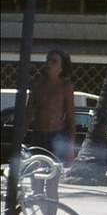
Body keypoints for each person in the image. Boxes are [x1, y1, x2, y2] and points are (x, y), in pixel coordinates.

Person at [27, 49, 76, 206]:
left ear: (61, 67)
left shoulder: (65, 87)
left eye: (54, 61)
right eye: (48, 60)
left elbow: (70, 117)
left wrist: (70, 147)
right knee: (36, 184)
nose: (49, 64)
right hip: (38, 136)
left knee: (52, 185)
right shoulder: (37, 85)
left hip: (57, 137)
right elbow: (29, 112)